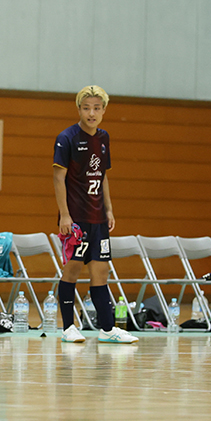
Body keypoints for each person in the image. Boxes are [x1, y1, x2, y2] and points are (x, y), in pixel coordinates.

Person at [52, 85, 137, 344]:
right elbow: (58, 177)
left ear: (103, 110)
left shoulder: (103, 138)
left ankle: (108, 329)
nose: (91, 113)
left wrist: (108, 208)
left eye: (97, 108)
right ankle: (68, 327)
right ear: (79, 109)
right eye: (87, 108)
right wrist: (64, 215)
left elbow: (103, 176)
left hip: (98, 218)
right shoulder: (66, 138)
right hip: (76, 219)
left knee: (101, 272)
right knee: (73, 269)